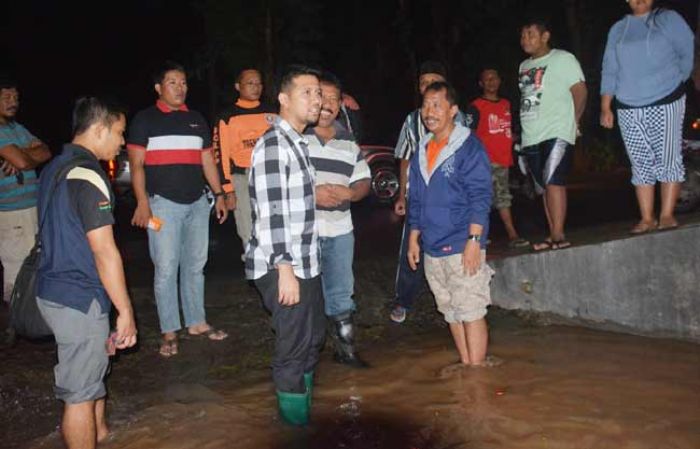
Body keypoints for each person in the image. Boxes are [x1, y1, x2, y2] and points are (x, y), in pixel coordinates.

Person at [36, 96, 137, 449]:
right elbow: (104, 251)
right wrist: (125, 311)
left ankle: (103, 435)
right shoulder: (88, 174)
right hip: (77, 296)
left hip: (52, 288)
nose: (122, 142)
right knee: (79, 392)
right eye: (120, 132)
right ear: (99, 129)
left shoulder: (54, 167)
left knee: (92, 375)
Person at [127, 61, 229, 358]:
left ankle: (196, 322)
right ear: (159, 88)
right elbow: (136, 165)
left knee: (196, 265)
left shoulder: (196, 119)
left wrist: (219, 194)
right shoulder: (144, 120)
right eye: (172, 82)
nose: (180, 87)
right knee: (166, 268)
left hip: (197, 202)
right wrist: (143, 203)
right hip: (162, 204)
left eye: (183, 82)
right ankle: (169, 330)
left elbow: (208, 161)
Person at [246, 65, 325, 425]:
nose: (317, 99)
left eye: (318, 93)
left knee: (312, 340)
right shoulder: (274, 145)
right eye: (307, 92)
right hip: (283, 266)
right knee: (293, 349)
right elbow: (273, 213)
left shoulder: (298, 143)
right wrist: (284, 269)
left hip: (305, 262)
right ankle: (296, 431)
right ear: (283, 99)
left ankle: (302, 414)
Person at [406, 81, 494, 367]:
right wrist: (413, 238)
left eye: (437, 105)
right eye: (425, 105)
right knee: (451, 311)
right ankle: (468, 365)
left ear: (453, 110)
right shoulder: (422, 149)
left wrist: (474, 242)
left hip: (461, 243)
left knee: (471, 309)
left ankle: (477, 375)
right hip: (432, 247)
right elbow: (416, 198)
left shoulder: (469, 146)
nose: (429, 111)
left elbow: (481, 197)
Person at [600, 0, 694, 233]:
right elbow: (610, 67)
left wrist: (674, 83)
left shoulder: (668, 19)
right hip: (628, 104)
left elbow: (687, 52)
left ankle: (666, 214)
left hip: (666, 99)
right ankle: (646, 218)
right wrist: (606, 106)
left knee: (668, 157)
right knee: (640, 161)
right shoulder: (618, 29)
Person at [390, 60, 467, 323]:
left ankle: (459, 301)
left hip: (452, 198)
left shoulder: (460, 118)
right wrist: (402, 195)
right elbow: (404, 158)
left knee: (455, 247)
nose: (428, 87)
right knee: (411, 248)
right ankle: (404, 300)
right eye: (423, 83)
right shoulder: (412, 120)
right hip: (420, 197)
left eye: (433, 81)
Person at [307, 72, 371, 368]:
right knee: (305, 295)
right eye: (322, 96)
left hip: (341, 230)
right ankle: (305, 356)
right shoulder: (297, 138)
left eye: (334, 98)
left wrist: (351, 192)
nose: (328, 104)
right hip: (304, 232)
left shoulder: (348, 141)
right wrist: (312, 194)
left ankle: (345, 351)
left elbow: (364, 182)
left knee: (341, 292)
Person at [518, 18, 587, 250]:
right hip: (531, 135)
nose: (525, 39)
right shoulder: (524, 67)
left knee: (553, 180)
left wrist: (574, 121)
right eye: (523, 36)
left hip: (557, 129)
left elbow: (580, 91)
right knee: (543, 187)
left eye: (530, 34)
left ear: (545, 36)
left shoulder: (563, 59)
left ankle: (558, 234)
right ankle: (552, 233)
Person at [215, 68, 276, 258]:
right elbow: (220, 155)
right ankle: (255, 265)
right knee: (247, 228)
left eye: (259, 83)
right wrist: (227, 190)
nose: (256, 87)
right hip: (242, 178)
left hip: (269, 175)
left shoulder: (272, 113)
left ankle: (276, 271)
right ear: (237, 86)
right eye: (250, 83)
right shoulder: (228, 116)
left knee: (274, 226)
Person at [0, 78, 51, 303]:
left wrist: (21, 154)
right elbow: (21, 162)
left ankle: (29, 317)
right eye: (6, 98)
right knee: (15, 266)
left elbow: (46, 151)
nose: (13, 102)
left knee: (34, 262)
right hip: (11, 213)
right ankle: (13, 322)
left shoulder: (16, 128)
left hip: (32, 207)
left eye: (16, 98)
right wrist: (26, 157)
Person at [466, 67, 529, 248]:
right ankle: (479, 237)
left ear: (499, 81)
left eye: (494, 78)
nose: (491, 82)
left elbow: (507, 130)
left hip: (503, 160)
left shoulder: (506, 104)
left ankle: (512, 235)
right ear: (481, 83)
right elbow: (469, 134)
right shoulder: (476, 106)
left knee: (502, 197)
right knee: (481, 199)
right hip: (482, 161)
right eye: (487, 79)